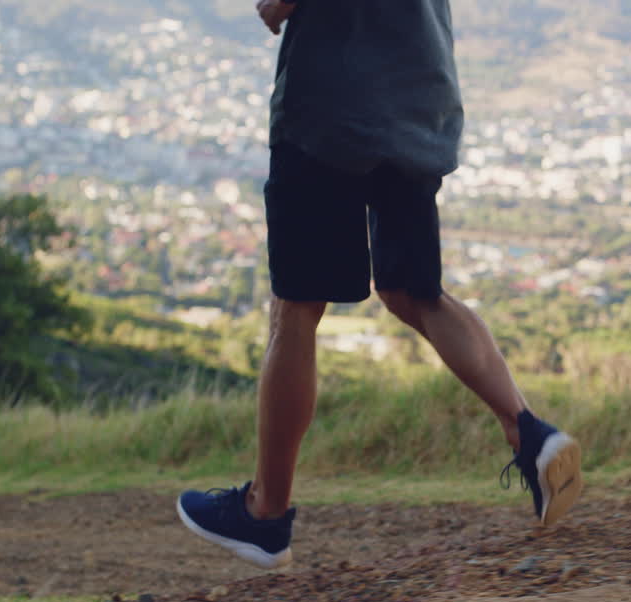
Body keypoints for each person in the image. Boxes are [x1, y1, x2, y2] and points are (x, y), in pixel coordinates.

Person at [175, 0, 583, 569]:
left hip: (332, 104)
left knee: (295, 311)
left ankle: (265, 513)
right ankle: (530, 432)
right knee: (415, 291)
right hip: (419, 94)